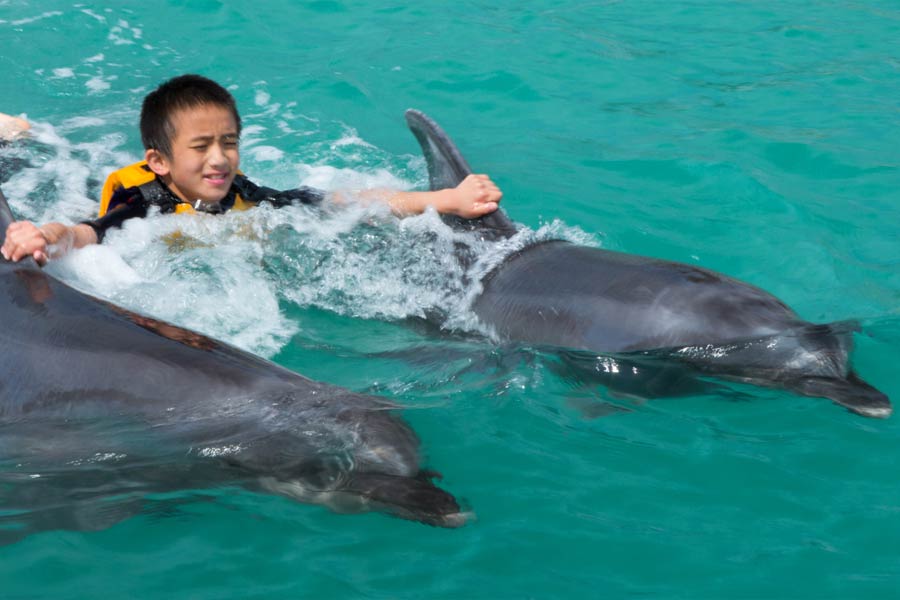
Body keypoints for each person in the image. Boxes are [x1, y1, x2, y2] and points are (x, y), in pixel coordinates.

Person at [1, 74, 502, 265]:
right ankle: (22, 137)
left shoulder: (241, 192)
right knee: (43, 169)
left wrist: (442, 200)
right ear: (160, 161)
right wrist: (43, 236)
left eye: (229, 143)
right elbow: (86, 233)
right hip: (107, 202)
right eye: (200, 147)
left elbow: (340, 203)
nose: (218, 158)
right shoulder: (143, 206)